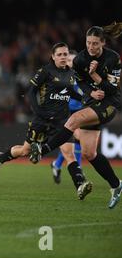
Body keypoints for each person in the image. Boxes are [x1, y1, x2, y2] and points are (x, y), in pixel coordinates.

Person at [29, 23, 122, 209]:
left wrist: (95, 75)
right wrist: (89, 94)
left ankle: (43, 149)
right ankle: (116, 185)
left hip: (110, 103)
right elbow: (80, 82)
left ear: (102, 43)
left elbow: (112, 89)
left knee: (74, 120)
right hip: (93, 102)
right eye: (88, 42)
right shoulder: (80, 59)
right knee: (89, 153)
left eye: (95, 43)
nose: (91, 47)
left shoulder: (113, 58)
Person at [0, 42, 92, 199]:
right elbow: (31, 92)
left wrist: (87, 99)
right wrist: (38, 111)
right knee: (25, 151)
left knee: (68, 153)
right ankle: (0, 158)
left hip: (62, 122)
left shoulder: (71, 74)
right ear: (53, 56)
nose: (63, 57)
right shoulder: (46, 71)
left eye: (65, 54)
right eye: (60, 54)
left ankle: (80, 184)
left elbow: (71, 92)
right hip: (42, 120)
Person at [50, 50, 83, 184]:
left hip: (79, 111)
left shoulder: (81, 76)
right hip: (65, 112)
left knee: (72, 142)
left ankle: (56, 165)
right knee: (77, 138)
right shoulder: (62, 77)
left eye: (73, 61)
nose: (71, 63)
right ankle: (79, 171)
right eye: (69, 61)